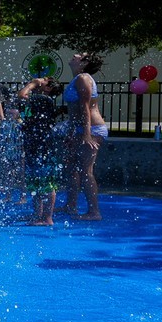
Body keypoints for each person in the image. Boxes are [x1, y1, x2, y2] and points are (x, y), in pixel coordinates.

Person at [60, 52, 106, 220]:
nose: (75, 54)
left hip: (92, 130)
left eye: (80, 55)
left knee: (86, 170)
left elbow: (85, 108)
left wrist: (86, 135)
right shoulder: (78, 78)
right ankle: (70, 205)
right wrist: (71, 133)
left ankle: (94, 212)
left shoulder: (83, 78)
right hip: (80, 129)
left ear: (85, 63)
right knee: (71, 167)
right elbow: (75, 113)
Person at [18, 77, 62, 225]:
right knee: (35, 181)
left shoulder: (44, 99)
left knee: (47, 182)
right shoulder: (39, 99)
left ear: (48, 88)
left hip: (42, 147)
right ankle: (38, 214)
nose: (40, 79)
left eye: (44, 80)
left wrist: (33, 84)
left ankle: (47, 217)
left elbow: (22, 95)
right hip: (35, 144)